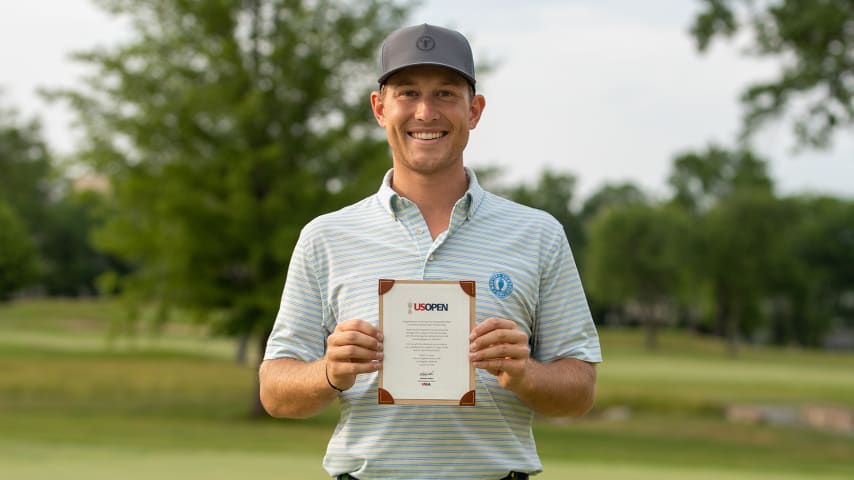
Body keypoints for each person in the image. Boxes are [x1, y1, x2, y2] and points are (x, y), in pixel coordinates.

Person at [259, 23, 602, 479]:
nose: (425, 112)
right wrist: (329, 371)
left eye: (445, 93)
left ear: (474, 110)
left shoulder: (538, 234)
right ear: (380, 108)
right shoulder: (326, 236)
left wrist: (526, 375)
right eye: (407, 93)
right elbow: (274, 392)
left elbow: (579, 392)